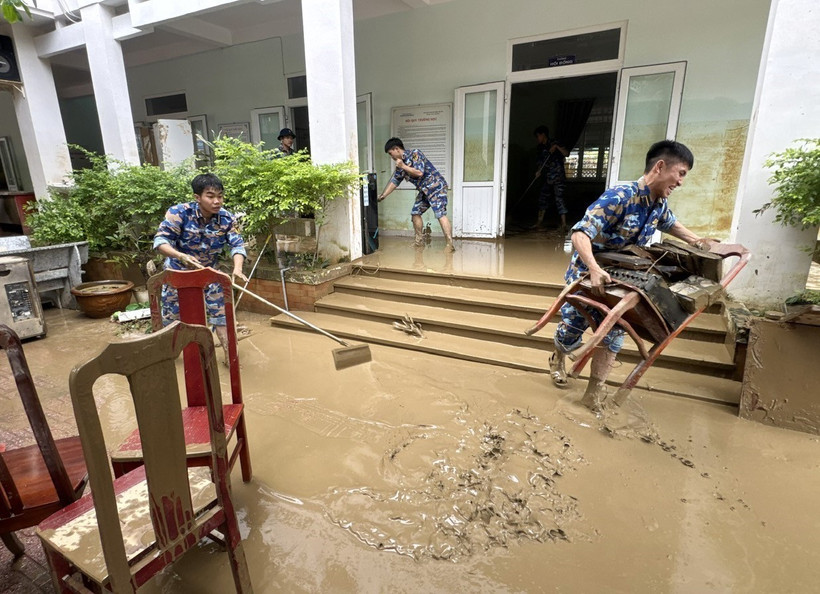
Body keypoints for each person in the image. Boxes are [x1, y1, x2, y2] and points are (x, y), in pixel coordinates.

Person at [550, 140, 718, 410]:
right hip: (587, 274)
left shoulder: (658, 204)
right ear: (661, 167)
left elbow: (671, 224)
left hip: (623, 277)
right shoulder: (620, 196)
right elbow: (580, 233)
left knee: (615, 331)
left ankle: (593, 394)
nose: (681, 182)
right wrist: (593, 268)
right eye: (682, 173)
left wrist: (697, 241)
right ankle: (557, 358)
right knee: (572, 328)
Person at [153, 173, 248, 364]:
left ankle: (232, 359)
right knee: (172, 319)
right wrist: (180, 256)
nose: (217, 201)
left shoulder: (227, 218)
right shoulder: (179, 213)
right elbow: (160, 241)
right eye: (211, 196)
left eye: (220, 196)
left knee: (222, 314)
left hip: (209, 273)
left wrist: (237, 268)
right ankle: (169, 360)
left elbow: (237, 245)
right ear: (198, 197)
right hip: (178, 273)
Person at [377, 137, 455, 252]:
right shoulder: (400, 166)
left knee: (440, 213)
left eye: (390, 153)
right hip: (424, 190)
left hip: (436, 187)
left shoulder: (415, 154)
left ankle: (450, 244)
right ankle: (419, 242)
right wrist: (383, 195)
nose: (391, 156)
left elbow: (419, 172)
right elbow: (394, 182)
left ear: (396, 149)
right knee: (415, 213)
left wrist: (403, 166)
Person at [532, 125, 569, 230]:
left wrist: (557, 147)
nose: (537, 139)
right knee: (542, 198)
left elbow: (566, 153)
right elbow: (540, 162)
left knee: (559, 199)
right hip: (547, 177)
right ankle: (539, 222)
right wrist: (538, 171)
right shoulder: (540, 148)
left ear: (543, 135)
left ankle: (564, 224)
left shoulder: (555, 142)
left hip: (558, 176)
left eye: (538, 136)